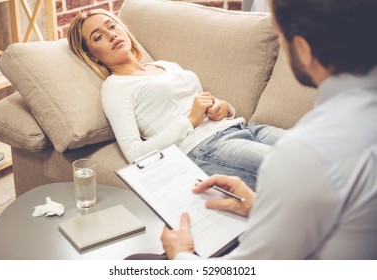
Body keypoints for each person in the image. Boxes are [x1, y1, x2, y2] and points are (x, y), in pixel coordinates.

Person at [158, 0, 377, 260]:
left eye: (281, 35)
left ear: (304, 50)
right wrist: (266, 206)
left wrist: (181, 254)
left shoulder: (308, 153)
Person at [67, 9, 286, 190]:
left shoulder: (165, 65)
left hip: (243, 128)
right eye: (98, 37)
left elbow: (204, 103)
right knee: (296, 168)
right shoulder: (115, 87)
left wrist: (224, 108)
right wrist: (190, 121)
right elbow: (135, 153)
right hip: (204, 148)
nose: (111, 34)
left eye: (112, 26)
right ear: (92, 55)